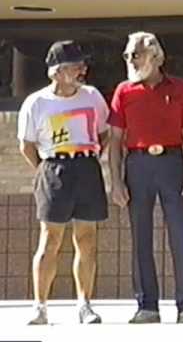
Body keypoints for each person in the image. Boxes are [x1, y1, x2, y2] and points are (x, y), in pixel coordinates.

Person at [108, 31, 183, 324]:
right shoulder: (124, 91)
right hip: (137, 166)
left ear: (155, 56)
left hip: (173, 163)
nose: (130, 60)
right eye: (126, 55)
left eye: (135, 54)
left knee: (181, 235)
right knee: (141, 237)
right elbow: (114, 140)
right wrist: (115, 180)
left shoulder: (179, 87)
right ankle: (146, 305)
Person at [17, 40, 109, 325]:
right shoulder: (37, 102)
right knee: (50, 239)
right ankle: (40, 306)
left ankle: (85, 304)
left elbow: (105, 133)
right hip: (54, 166)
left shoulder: (93, 96)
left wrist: (91, 158)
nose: (82, 70)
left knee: (87, 239)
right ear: (56, 72)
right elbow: (26, 144)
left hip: (87, 166)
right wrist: (45, 170)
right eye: (74, 65)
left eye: (82, 64)